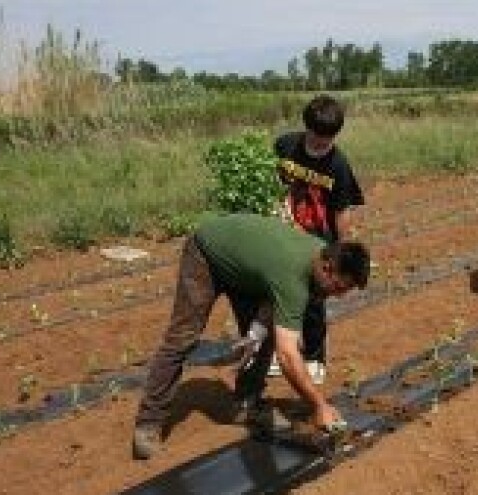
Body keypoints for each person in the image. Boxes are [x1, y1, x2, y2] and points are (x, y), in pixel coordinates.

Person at [132, 213, 370, 460]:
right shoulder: (295, 275)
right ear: (327, 267)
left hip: (245, 269)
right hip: (207, 253)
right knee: (182, 338)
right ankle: (147, 425)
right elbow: (287, 356)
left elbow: (272, 282)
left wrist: (257, 329)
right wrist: (319, 405)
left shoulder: (319, 257)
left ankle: (247, 404)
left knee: (266, 335)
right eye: (339, 287)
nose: (339, 296)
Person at [271, 94, 365, 384]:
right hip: (284, 233)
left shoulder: (338, 164)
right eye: (316, 139)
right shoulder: (286, 146)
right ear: (306, 129)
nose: (321, 146)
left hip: (318, 239)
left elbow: (342, 210)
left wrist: (341, 248)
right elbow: (272, 181)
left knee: (313, 300)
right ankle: (279, 350)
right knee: (279, 293)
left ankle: (314, 356)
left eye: (327, 141)